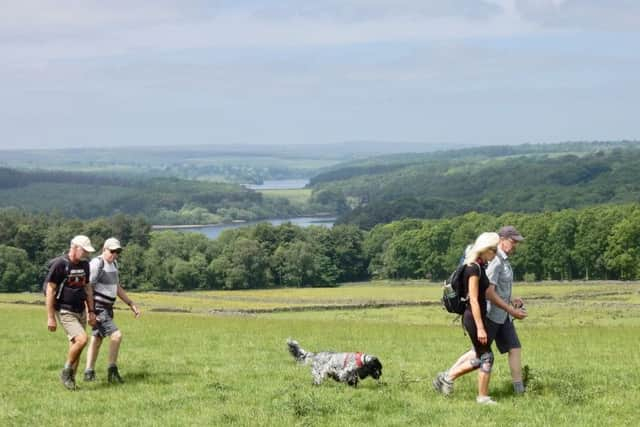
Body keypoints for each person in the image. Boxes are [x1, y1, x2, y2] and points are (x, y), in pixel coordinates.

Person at [432, 232, 527, 404]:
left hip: (477, 317)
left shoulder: (480, 266)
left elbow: (489, 291)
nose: (494, 253)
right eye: (492, 249)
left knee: (482, 356)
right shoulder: (474, 268)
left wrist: (510, 299)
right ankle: (474, 393)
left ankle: (449, 379)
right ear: (484, 249)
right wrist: (481, 327)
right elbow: (474, 300)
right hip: (473, 318)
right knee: (485, 357)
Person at [83, 238, 140, 383]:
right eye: (112, 251)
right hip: (98, 308)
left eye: (117, 252)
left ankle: (88, 372)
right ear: (104, 249)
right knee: (116, 335)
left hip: (108, 308)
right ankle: (112, 371)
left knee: (97, 339)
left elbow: (117, 287)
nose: (115, 254)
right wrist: (90, 311)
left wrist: (130, 303)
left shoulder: (114, 264)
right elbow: (88, 288)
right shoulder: (97, 264)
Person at [45, 235, 97, 390]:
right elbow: (50, 290)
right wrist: (50, 317)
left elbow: (87, 288)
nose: (87, 254)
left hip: (80, 309)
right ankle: (66, 370)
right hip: (64, 309)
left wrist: (91, 311)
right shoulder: (61, 264)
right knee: (82, 339)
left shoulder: (85, 265)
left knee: (76, 346)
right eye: (84, 250)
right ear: (74, 248)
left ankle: (71, 382)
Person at [485, 225, 527, 394]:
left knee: (514, 348)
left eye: (517, 241)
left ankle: (519, 392)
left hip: (504, 316)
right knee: (478, 354)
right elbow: (489, 292)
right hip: (491, 316)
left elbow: (499, 291)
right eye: (513, 241)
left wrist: (512, 301)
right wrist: (511, 310)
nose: (515, 244)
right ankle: (447, 377)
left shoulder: (504, 261)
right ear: (501, 240)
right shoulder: (495, 261)